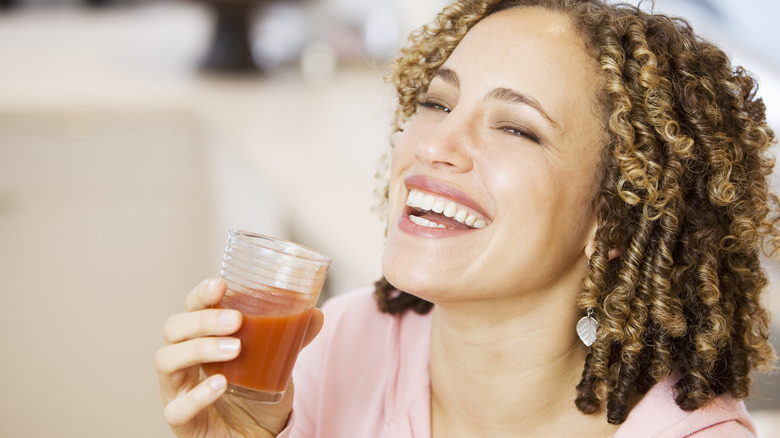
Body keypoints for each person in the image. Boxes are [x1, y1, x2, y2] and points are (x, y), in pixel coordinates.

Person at [154, 0, 778, 436]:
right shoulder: (332, 347)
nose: (435, 144)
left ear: (613, 222)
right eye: (436, 102)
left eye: (517, 128)